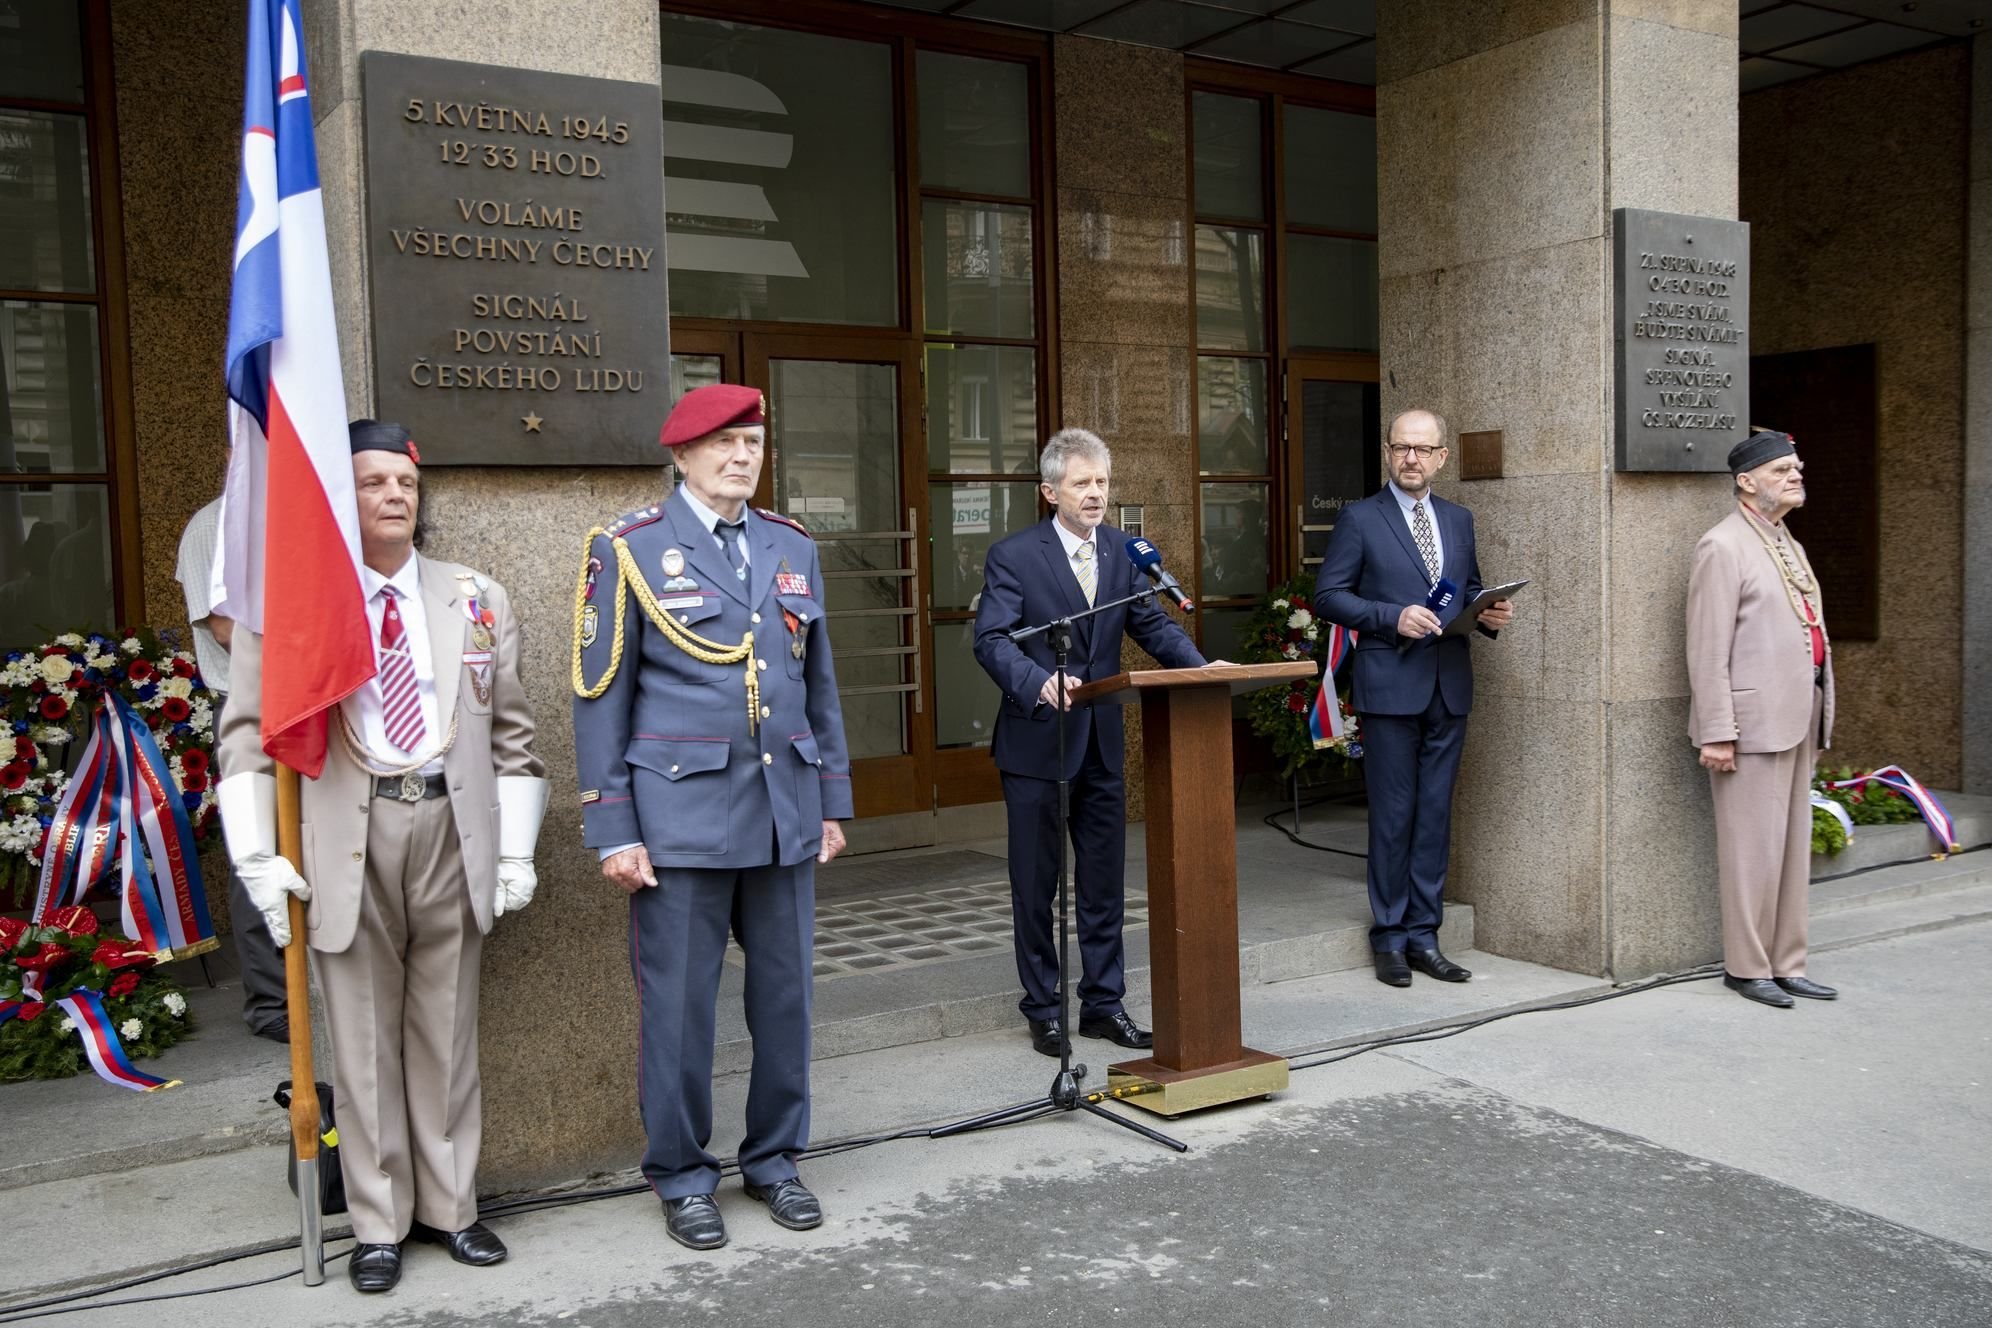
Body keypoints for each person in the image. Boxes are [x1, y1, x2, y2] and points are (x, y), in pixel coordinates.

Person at [216, 421, 548, 1293]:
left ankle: (451, 1209)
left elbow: (514, 737)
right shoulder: (290, 607)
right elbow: (247, 739)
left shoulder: (477, 596)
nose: (395, 495)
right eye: (372, 482)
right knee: (360, 1045)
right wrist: (255, 853)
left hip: (450, 831)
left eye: (404, 482)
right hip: (347, 838)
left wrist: (515, 852)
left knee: (446, 1037)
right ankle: (377, 1223)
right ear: (338, 495)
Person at [572, 383, 852, 1253]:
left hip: (780, 814)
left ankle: (774, 1160)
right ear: (684, 455)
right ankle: (684, 1175)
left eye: (754, 443)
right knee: (681, 1012)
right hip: (679, 820)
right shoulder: (629, 550)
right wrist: (614, 829)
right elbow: (599, 700)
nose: (743, 457)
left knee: (785, 1001)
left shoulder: (789, 544)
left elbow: (819, 689)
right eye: (726, 443)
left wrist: (831, 803)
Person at [971, 428, 1207, 1059]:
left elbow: (1152, 623)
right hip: (1035, 744)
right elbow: (992, 640)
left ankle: (1104, 1004)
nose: (1096, 493)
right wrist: (1036, 681)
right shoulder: (1014, 556)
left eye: (1102, 481)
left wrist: (1201, 672)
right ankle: (1043, 1007)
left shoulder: (1126, 553)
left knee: (1104, 883)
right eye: (1082, 483)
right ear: (1051, 492)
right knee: (1036, 884)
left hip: (1101, 743)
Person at [1312, 409, 1513, 988]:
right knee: (1394, 815)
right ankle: (1390, 938)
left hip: (1449, 685)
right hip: (1389, 686)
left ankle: (1426, 935)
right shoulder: (1361, 519)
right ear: (1387, 451)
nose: (1412, 459)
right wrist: (1389, 617)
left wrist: (1489, 612)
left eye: (1424, 450)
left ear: (1442, 458)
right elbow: (1328, 597)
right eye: (1402, 448)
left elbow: (1469, 589)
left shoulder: (1458, 519)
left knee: (1433, 815)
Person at [1686, 429, 1837, 1009]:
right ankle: (1748, 967)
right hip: (1749, 727)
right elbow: (1707, 647)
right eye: (1781, 470)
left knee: (1791, 848)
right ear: (1746, 482)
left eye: (1797, 467)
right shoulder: (1722, 546)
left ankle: (1787, 962)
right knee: (1751, 853)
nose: (1796, 476)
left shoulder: (1786, 541)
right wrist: (1718, 731)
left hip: (1798, 716)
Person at [175, 493, 288, 1042]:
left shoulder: (306, 511)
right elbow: (224, 628)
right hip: (250, 706)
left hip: (312, 703)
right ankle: (271, 1004)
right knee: (258, 845)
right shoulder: (210, 526)